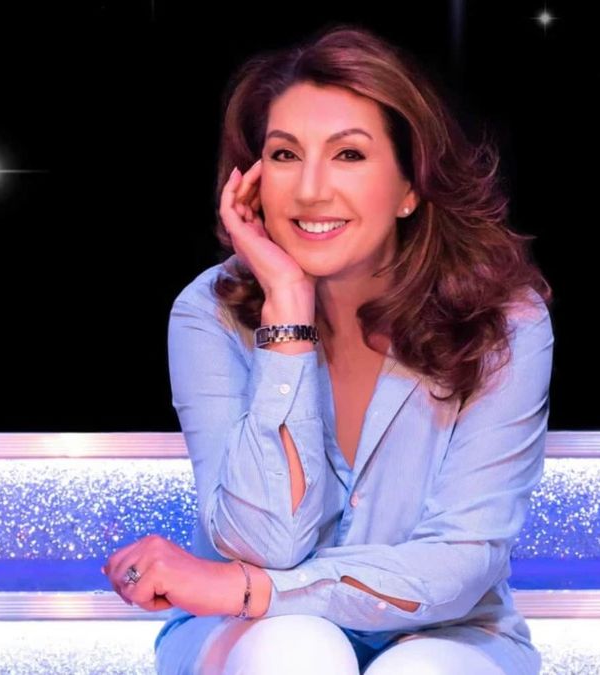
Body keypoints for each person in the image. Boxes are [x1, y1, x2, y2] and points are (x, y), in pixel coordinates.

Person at [102, 23, 555, 674]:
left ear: (410, 186)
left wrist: (253, 588)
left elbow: (461, 561)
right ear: (253, 181)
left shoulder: (505, 321)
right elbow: (264, 544)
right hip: (249, 632)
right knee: (296, 647)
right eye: (285, 155)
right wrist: (287, 310)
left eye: (348, 154)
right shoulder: (209, 313)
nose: (311, 189)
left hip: (450, 631)